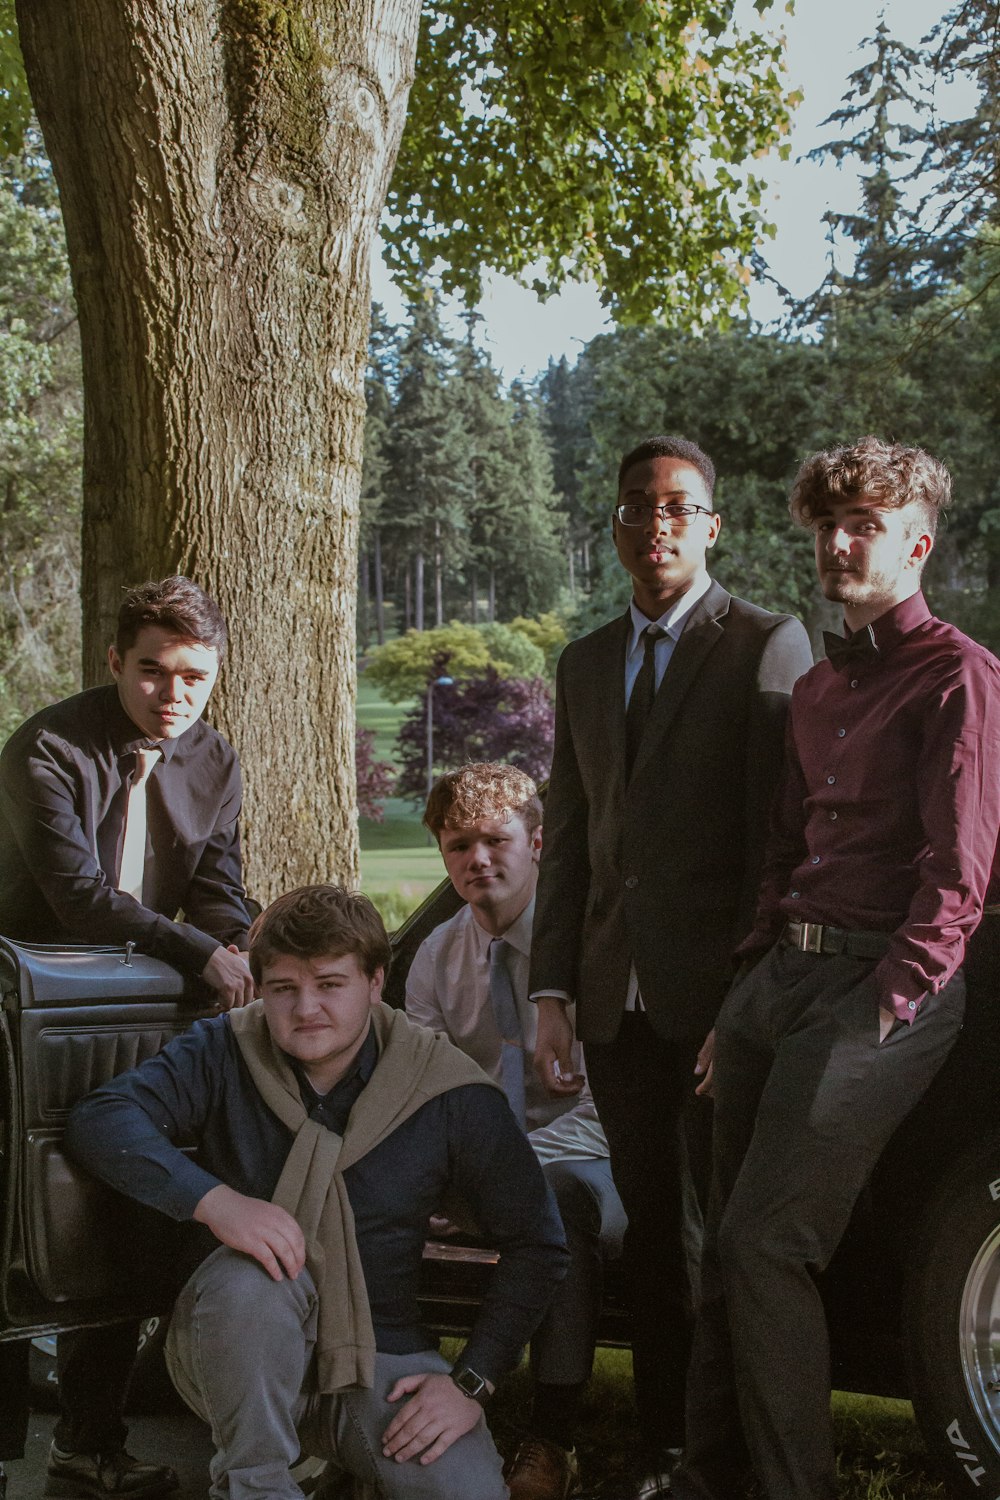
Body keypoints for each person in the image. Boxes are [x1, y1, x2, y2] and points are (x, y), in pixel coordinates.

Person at [671, 436, 1000, 1500]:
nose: (841, 544)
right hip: (776, 985)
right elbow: (783, 850)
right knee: (726, 1250)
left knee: (769, 1245)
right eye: (827, 527)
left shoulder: (960, 674)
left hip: (875, 992)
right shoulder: (817, 688)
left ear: (918, 544)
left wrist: (893, 999)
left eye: (865, 526)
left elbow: (959, 873)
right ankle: (708, 1483)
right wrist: (743, 992)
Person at [63, 884, 569, 1500]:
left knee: (464, 1492)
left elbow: (539, 1243)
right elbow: (102, 1118)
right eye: (283, 988)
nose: (306, 1009)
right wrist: (217, 1203)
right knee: (255, 1276)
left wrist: (471, 1383)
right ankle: (257, 1485)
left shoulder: (443, 1087)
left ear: (376, 982)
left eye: (330, 985)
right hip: (233, 1350)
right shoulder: (226, 1048)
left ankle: (337, 1467)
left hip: (379, 1354)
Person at [528, 435, 813, 1496]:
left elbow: (773, 851)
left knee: (706, 1244)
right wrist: (551, 991)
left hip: (714, 1011)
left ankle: (712, 1457)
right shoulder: (585, 662)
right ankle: (659, 1452)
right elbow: (569, 837)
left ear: (711, 526)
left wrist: (736, 1010)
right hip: (612, 1008)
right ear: (614, 526)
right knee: (650, 1235)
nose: (658, 522)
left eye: (679, 506)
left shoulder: (766, 647)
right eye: (639, 505)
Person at [0, 575, 254, 1500]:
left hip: (138, 1014)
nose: (172, 694)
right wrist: (199, 952)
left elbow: (219, 887)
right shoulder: (48, 746)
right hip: (25, 1009)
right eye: (152, 672)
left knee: (107, 1209)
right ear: (115, 662)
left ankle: (89, 1441)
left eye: (193, 676)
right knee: (26, 1223)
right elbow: (76, 897)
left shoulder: (214, 759)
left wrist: (240, 949)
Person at [408, 763, 627, 1500]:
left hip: (595, 1166)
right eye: (457, 845)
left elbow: (610, 1111)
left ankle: (549, 1438)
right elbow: (425, 1096)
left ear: (538, 843)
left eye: (495, 841)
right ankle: (393, 1399)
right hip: (482, 1169)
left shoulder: (593, 948)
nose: (477, 860)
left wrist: (503, 1170)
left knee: (555, 1198)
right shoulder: (437, 957)